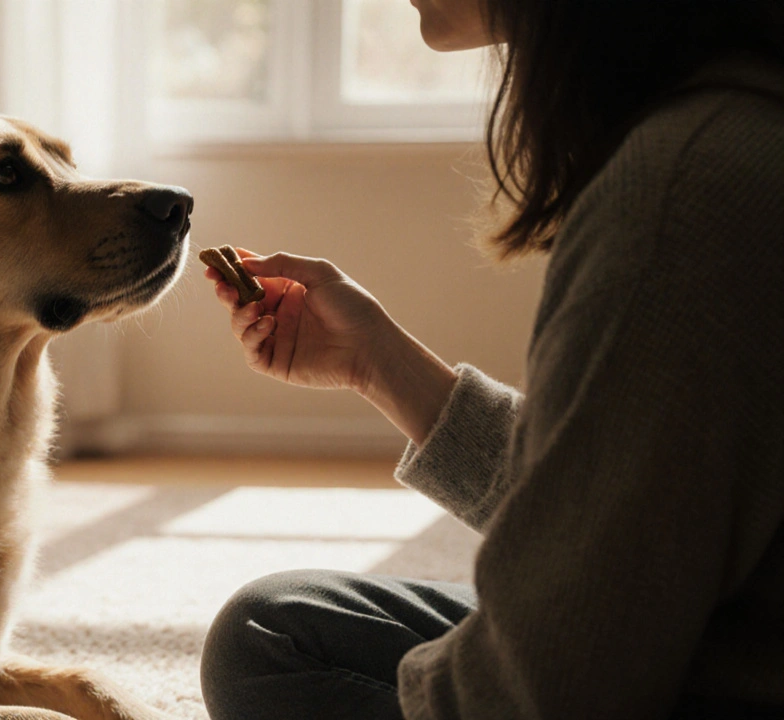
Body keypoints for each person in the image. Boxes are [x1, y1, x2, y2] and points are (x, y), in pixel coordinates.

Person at [199, 0, 784, 718]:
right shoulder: (732, 120)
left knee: (269, 661)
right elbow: (610, 500)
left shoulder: (677, 196)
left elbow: (554, 685)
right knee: (270, 629)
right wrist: (375, 360)